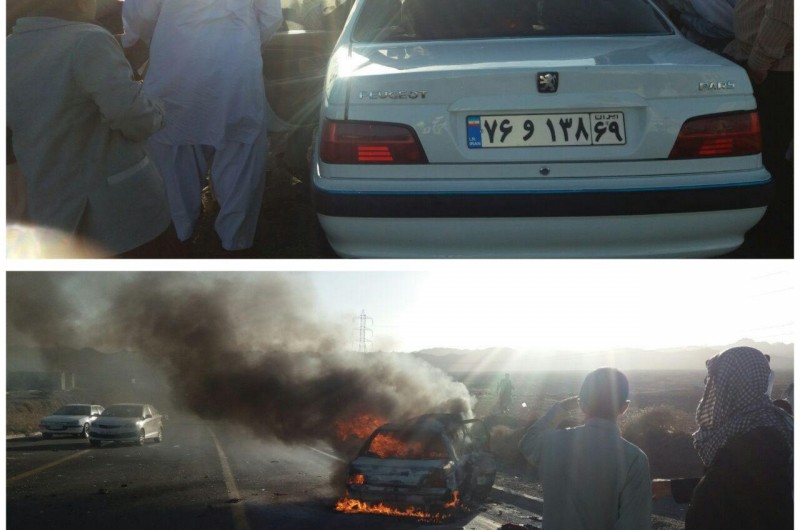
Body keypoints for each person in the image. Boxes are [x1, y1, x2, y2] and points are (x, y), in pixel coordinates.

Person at [6, 0, 173, 257]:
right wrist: (159, 107)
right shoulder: (87, 40)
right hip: (119, 216)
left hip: (51, 211)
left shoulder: (8, 49)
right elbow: (133, 117)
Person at [121, 0, 283, 255]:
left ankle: (180, 240)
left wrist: (167, 35)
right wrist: (243, 40)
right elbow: (271, 17)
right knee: (239, 157)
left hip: (175, 73)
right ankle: (235, 245)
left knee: (175, 165)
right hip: (235, 74)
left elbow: (139, 15)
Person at [651, 347, 793, 529]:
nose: (711, 390)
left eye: (716, 382)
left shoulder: (750, 442)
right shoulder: (776, 426)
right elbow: (736, 485)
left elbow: (723, 496)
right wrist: (673, 487)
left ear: (731, 385)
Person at [519, 368, 651, 530]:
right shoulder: (634, 459)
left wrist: (562, 407)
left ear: (581, 405)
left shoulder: (552, 443)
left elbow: (528, 441)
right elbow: (635, 524)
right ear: (624, 407)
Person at [723, 0, 793, 234]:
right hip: (770, 64)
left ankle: (770, 227)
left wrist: (758, 62)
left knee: (769, 154)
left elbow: (784, 14)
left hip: (776, 70)